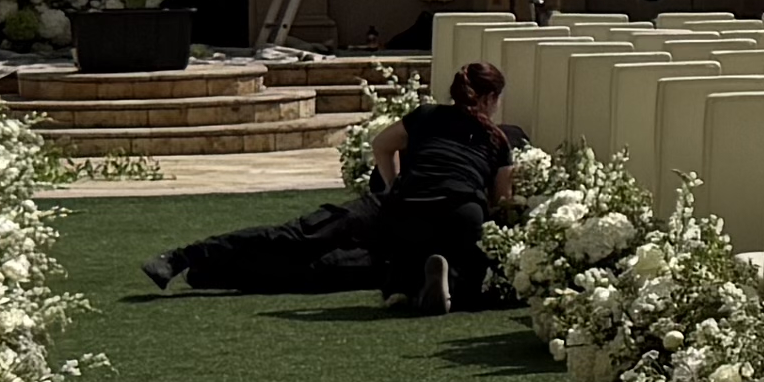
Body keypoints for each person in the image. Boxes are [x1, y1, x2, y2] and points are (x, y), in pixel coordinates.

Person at [145, 56, 525, 307]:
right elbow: (501, 202)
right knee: (332, 269)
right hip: (460, 216)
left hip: (403, 208)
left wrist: (393, 188)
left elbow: (381, 145)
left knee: (299, 235)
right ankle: (425, 284)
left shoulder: (427, 115)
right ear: (491, 98)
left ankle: (184, 259)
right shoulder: (501, 139)